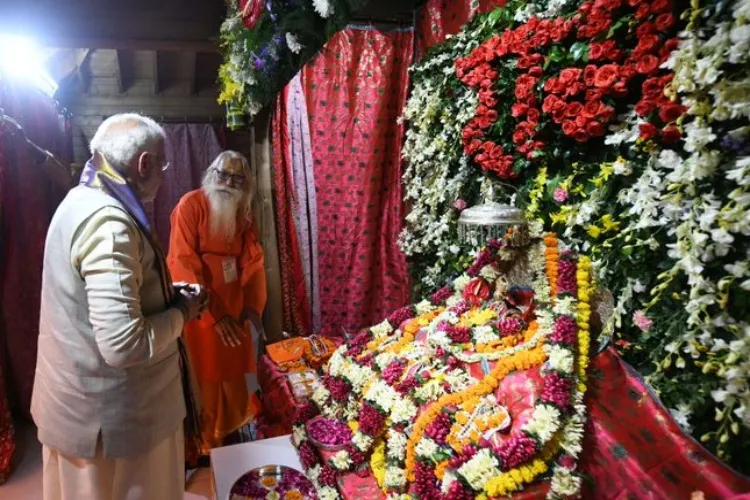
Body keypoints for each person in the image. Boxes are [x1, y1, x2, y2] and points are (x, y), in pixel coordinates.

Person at [31, 113, 206, 500]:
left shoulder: (82, 197)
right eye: (161, 167)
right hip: (112, 423)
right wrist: (183, 313)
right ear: (143, 163)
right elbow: (123, 344)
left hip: (80, 401)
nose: (161, 178)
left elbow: (106, 297)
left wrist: (167, 293)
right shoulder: (108, 224)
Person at [167, 150, 267, 461]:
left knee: (234, 370)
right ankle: (206, 442)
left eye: (237, 178)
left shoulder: (242, 211)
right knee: (206, 371)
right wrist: (214, 314)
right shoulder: (191, 205)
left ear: (246, 184)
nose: (227, 183)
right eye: (222, 174)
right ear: (212, 173)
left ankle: (230, 430)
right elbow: (182, 262)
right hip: (201, 311)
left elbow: (252, 261)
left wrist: (252, 308)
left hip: (234, 306)